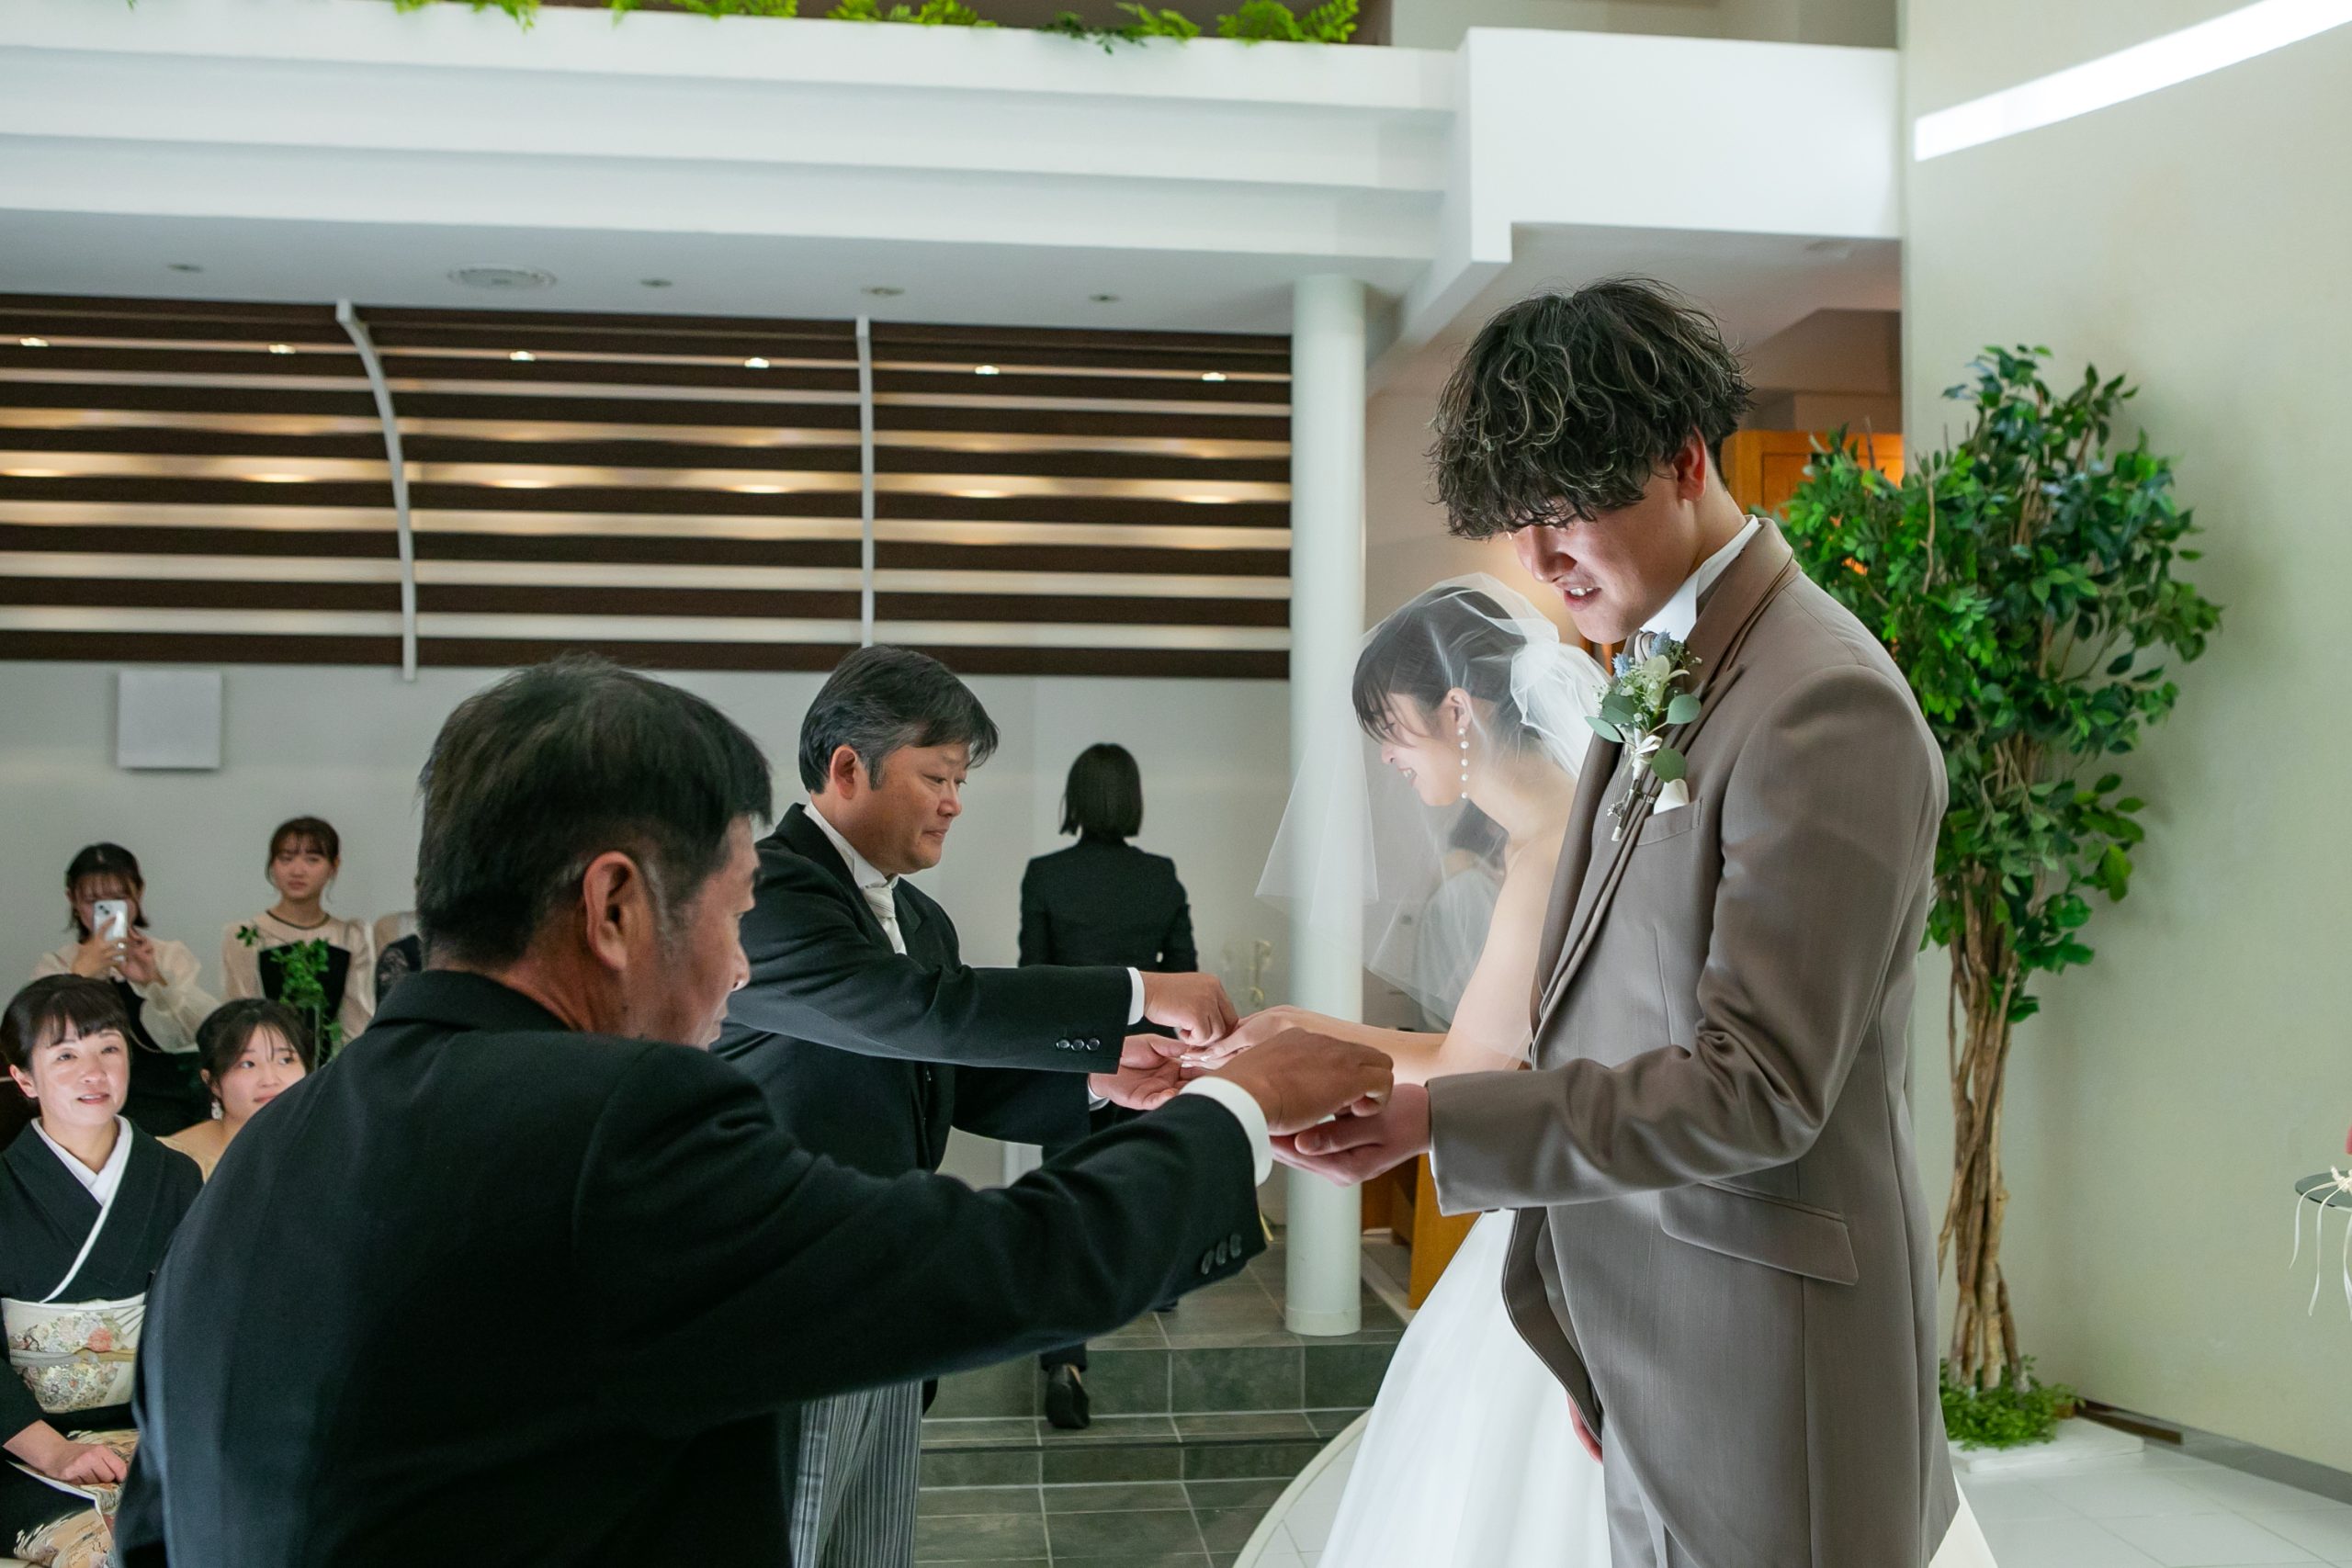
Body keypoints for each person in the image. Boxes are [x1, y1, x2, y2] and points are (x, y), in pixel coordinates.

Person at [113, 654, 1389, 1566]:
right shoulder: (620, 1124)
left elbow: (156, 1532)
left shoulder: (255, 1160)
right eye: (729, 915)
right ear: (616, 907)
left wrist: (1104, 1079)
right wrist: (1235, 1108)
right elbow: (1016, 1260)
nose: (740, 975)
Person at [1276, 278, 1995, 1568]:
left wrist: (1438, 1117)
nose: (1539, 559)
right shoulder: (1667, 664)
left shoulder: (1820, 701)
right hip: (1644, 1331)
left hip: (1766, 1362)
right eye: (1518, 524)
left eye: (1565, 512)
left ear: (1683, 460)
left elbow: (1758, 1085)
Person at [713, 648, 1243, 1563]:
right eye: (937, 777)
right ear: (848, 768)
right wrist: (1137, 989)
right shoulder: (764, 894)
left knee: (871, 1546)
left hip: (886, 1288)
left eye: (961, 779)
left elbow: (952, 1072)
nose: (955, 802)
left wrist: (1097, 1075)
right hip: (789, 1296)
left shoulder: (921, 920)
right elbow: (920, 1012)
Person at [1232, 577, 1614, 1567]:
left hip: (1573, 1207)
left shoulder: (1545, 850)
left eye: (1391, 730)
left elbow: (1473, 1062)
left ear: (1455, 709)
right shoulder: (1567, 825)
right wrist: (1294, 1025)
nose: (1388, 759)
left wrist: (1297, 1035)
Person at [1018, 741, 1203, 1428]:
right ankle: (1158, 1284)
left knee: (1067, 1200)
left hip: (1071, 1060)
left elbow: (1032, 978)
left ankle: (1064, 1360)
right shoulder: (1160, 875)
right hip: (1147, 1057)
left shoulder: (1045, 874)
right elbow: (1184, 974)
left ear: (1074, 798)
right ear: (1132, 801)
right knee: (1145, 1174)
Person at [1, 976, 202, 1568]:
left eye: (109, 1048)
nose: (94, 1072)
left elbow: (195, 1319)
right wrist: (55, 1453)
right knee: (103, 1553)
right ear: (24, 1079)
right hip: (21, 1448)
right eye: (65, 1056)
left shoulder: (175, 1176)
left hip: (152, 1433)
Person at [33, 843, 217, 1135]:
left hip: (168, 1100)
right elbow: (39, 1039)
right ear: (73, 900)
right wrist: (79, 975)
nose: (106, 911)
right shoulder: (56, 964)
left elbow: (199, 1033)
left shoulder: (167, 955)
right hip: (86, 1099)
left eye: (119, 899)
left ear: (138, 894)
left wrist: (153, 980)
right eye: (93, 901)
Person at [219, 817, 375, 1056]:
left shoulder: (351, 936)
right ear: (272, 864)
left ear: (334, 866)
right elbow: (239, 1021)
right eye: (286, 858)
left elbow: (358, 1024)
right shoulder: (246, 935)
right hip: (265, 1064)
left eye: (312, 859)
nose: (297, 870)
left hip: (332, 1068)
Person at [157, 999, 312, 1179]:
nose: (270, 1080)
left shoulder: (333, 1145)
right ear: (212, 1082)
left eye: (285, 1060)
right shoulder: (174, 1161)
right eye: (247, 1064)